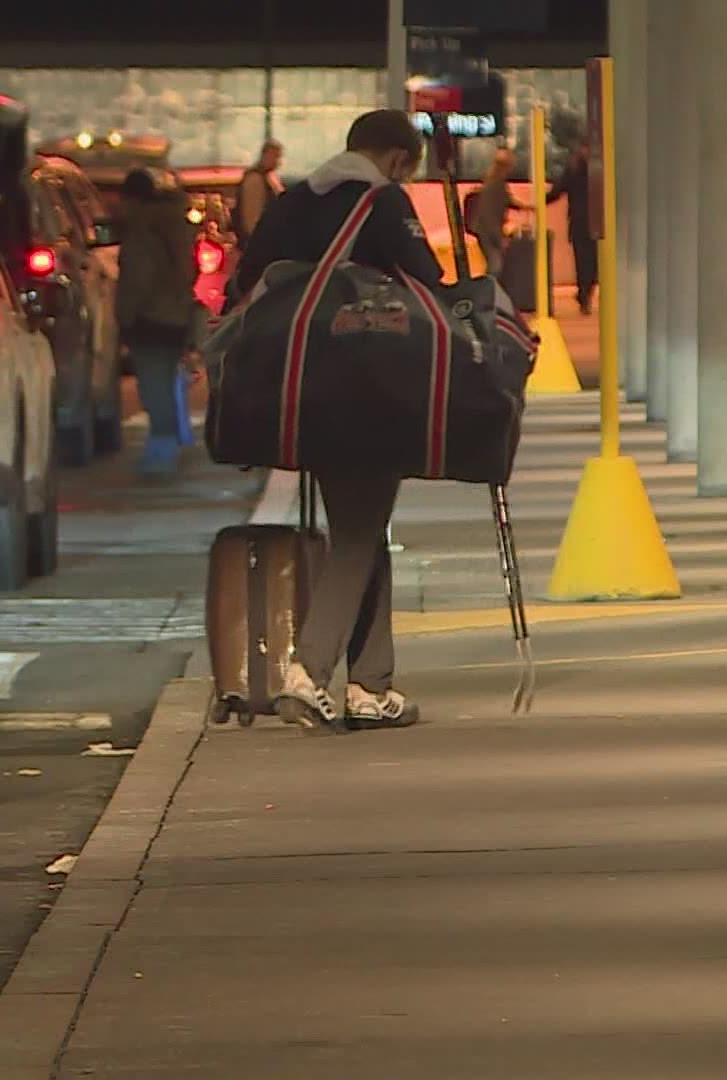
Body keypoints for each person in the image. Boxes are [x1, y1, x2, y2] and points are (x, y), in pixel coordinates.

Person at [227, 108, 444, 734]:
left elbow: (248, 279)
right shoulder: (381, 202)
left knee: (362, 522)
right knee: (357, 529)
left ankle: (371, 685)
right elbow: (426, 284)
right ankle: (310, 670)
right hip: (367, 381)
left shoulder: (292, 201)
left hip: (297, 385)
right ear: (398, 159)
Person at [116, 167, 200, 477]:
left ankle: (162, 451)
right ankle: (170, 443)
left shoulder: (142, 233)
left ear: (133, 200)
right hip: (175, 316)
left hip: (149, 319)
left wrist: (125, 315)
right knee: (166, 381)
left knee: (154, 387)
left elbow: (138, 280)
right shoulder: (175, 228)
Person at [547, 137, 598, 314]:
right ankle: (585, 294)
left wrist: (542, 199)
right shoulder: (599, 169)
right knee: (592, 262)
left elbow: (558, 190)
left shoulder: (573, 168)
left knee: (583, 261)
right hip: (596, 221)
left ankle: (584, 294)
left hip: (579, 221)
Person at [466, 147, 521, 278]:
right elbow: (489, 214)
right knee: (495, 265)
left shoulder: (496, 183)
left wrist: (525, 207)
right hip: (487, 231)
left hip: (486, 229)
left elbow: (507, 201)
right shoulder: (494, 184)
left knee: (495, 264)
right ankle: (488, 292)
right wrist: (499, 237)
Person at [233, 140, 285, 239]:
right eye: (275, 157)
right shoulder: (255, 179)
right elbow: (252, 217)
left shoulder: (271, 177)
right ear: (266, 156)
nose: (278, 162)